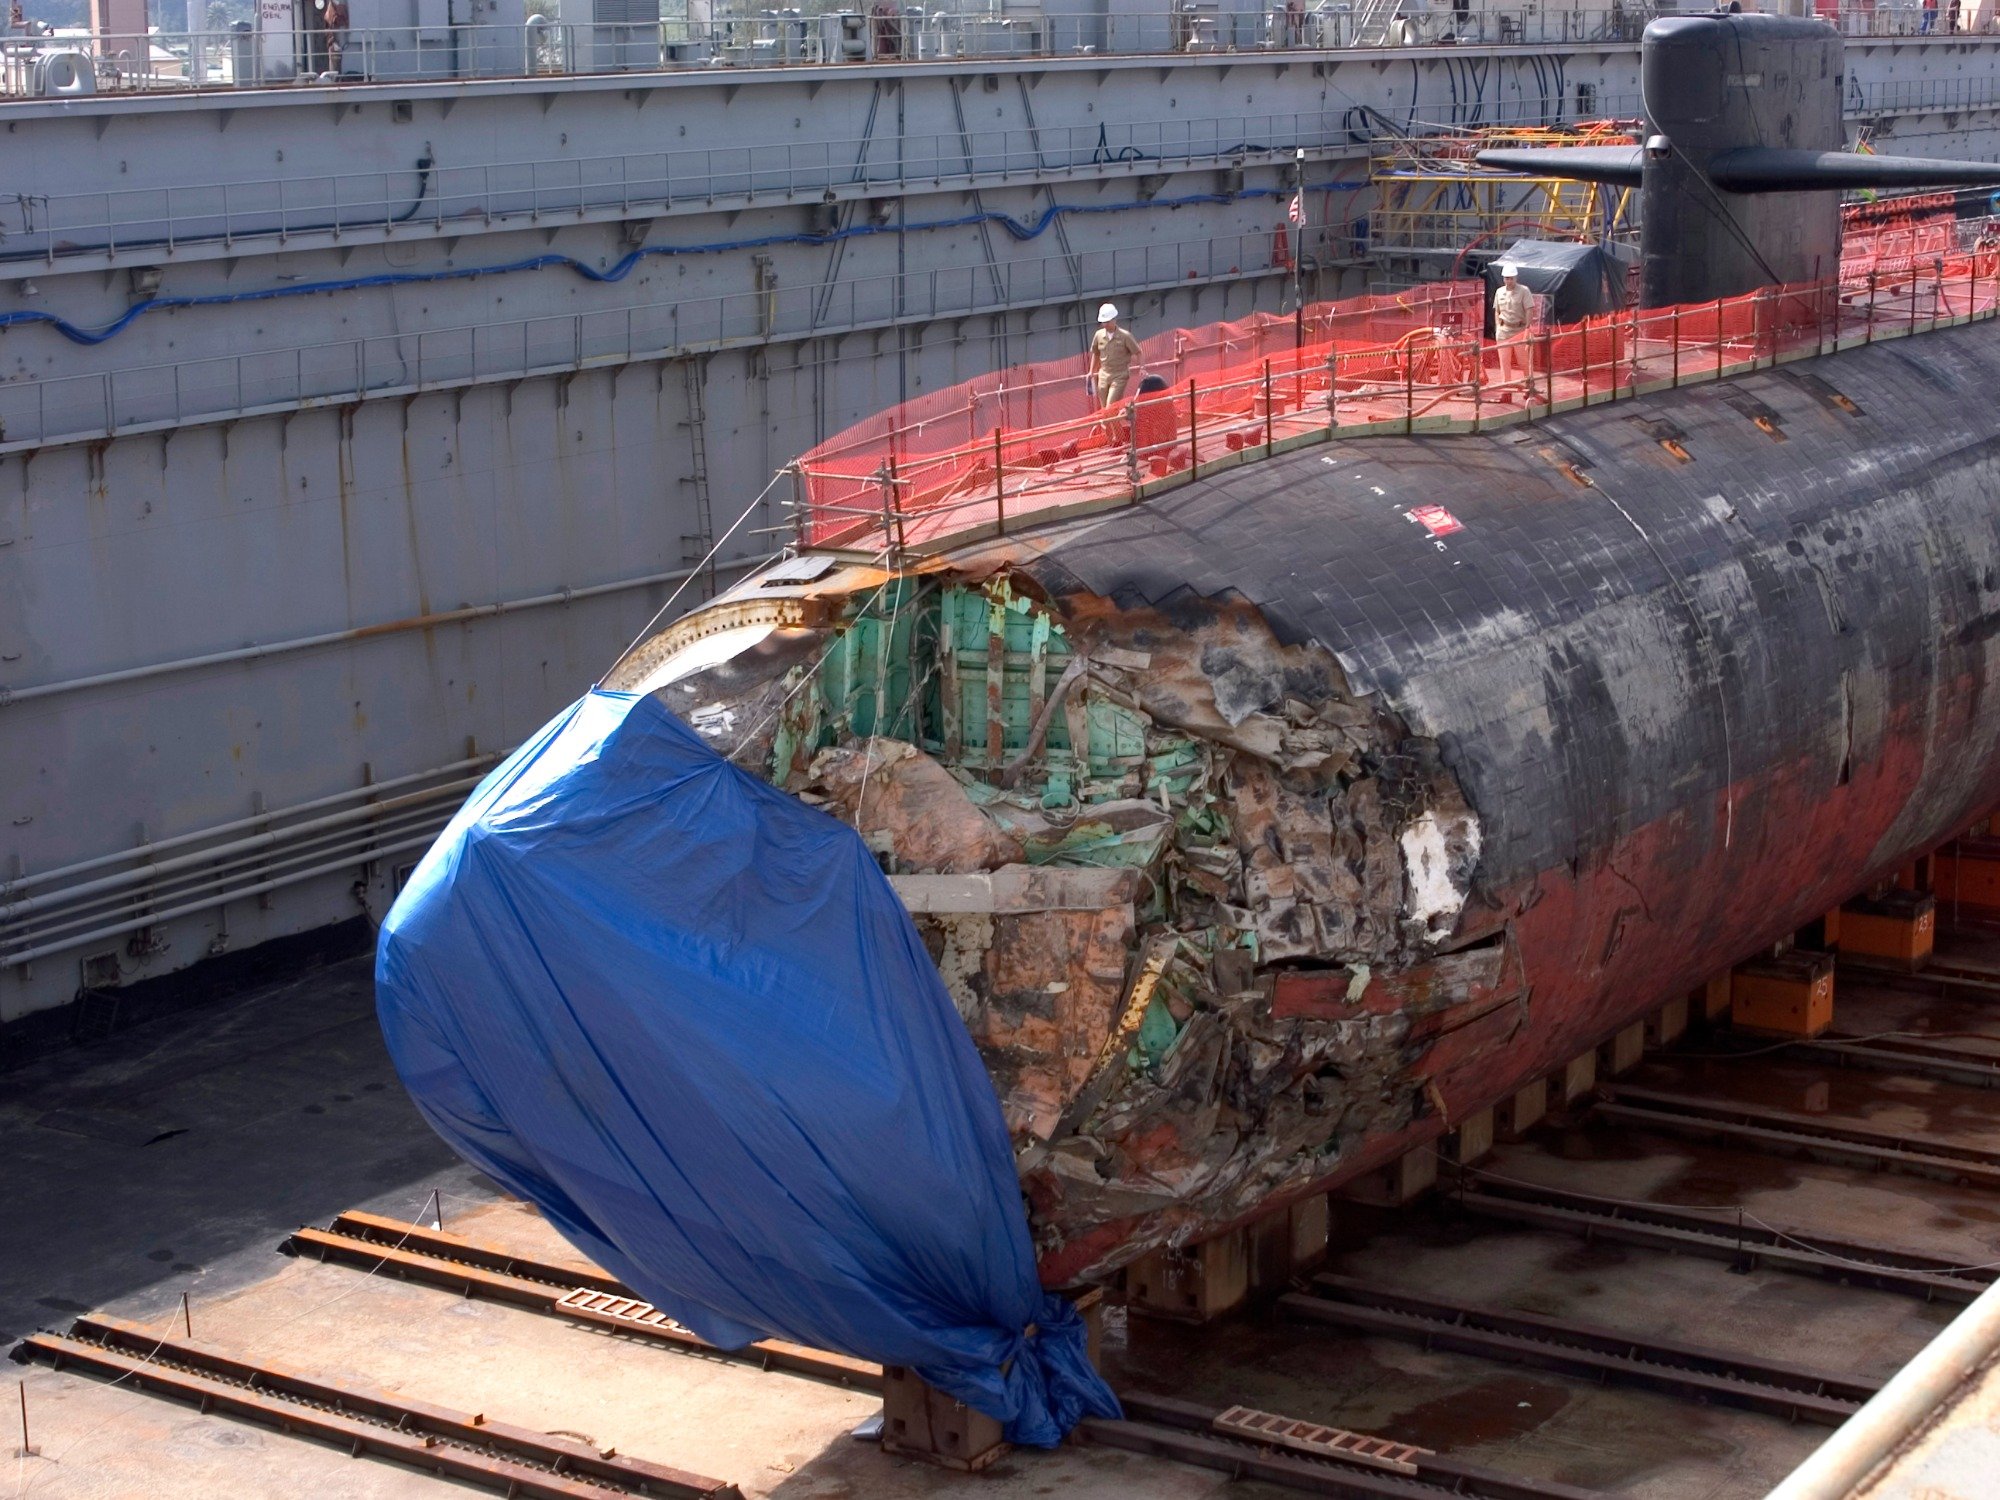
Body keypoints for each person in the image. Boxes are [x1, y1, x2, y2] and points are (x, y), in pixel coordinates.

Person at [1492, 262, 1542, 400]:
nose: (1509, 281)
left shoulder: (1524, 291)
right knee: (1504, 362)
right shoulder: (1499, 292)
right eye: (1506, 278)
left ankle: (1529, 387)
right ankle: (1506, 392)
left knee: (1523, 361)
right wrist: (1497, 326)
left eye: (1511, 278)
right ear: (1503, 279)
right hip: (1503, 331)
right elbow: (1497, 311)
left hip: (1519, 330)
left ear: (1516, 278)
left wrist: (1527, 328)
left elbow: (1529, 309)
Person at [1086, 303, 1144, 410]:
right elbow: (1096, 353)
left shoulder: (1125, 336)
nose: (1105, 324)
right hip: (1103, 375)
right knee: (1104, 409)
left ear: (1114, 320)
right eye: (1103, 322)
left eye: (1108, 321)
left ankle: (1109, 425)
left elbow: (1138, 351)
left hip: (1119, 375)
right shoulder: (1099, 335)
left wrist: (1142, 367)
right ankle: (1112, 427)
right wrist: (1091, 371)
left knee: (1110, 407)